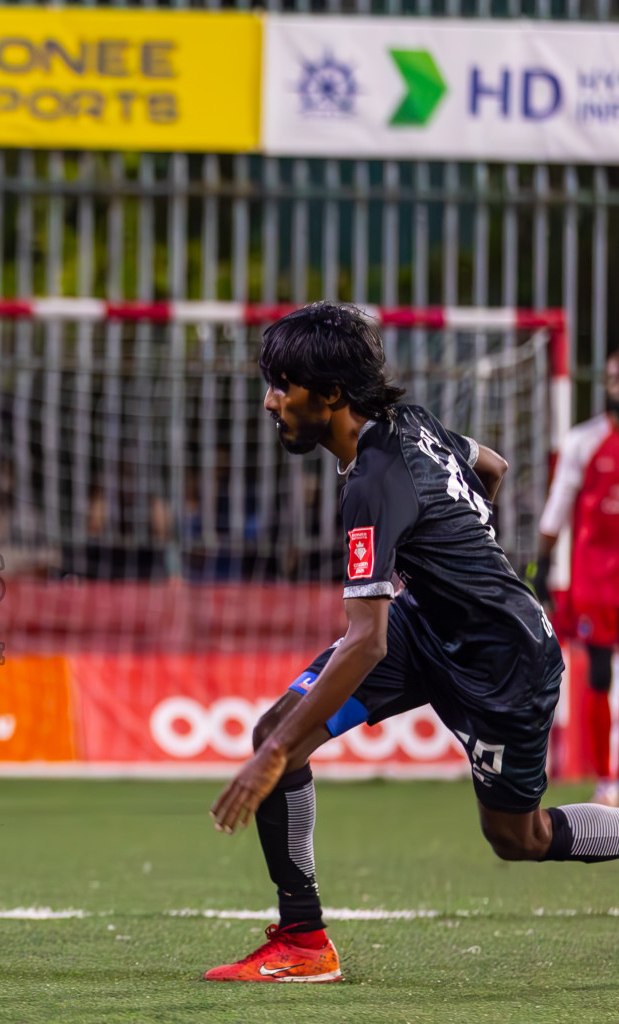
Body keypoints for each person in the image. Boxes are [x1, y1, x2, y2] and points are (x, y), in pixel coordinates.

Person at [205, 303, 619, 984]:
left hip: (505, 663)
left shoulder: (372, 482)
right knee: (278, 727)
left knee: (518, 839)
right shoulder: (412, 426)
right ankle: (304, 943)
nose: (270, 401)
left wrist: (273, 757)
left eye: (283, 386)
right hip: (428, 627)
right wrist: (461, 555)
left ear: (332, 395)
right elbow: (493, 464)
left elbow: (363, 643)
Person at [535, 352, 619, 805]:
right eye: (612, 377)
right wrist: (541, 566)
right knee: (600, 675)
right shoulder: (583, 442)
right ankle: (608, 779)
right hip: (598, 581)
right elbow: (557, 508)